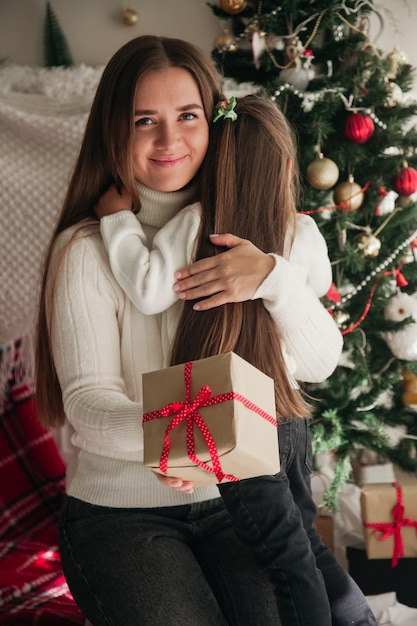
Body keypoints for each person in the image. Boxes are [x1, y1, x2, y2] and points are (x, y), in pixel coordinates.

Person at [94, 94, 378, 626]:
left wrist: (117, 222)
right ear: (289, 168)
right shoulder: (304, 232)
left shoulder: (197, 224)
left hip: (241, 414)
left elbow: (150, 290)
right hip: (290, 418)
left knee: (283, 553)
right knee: (304, 542)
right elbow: (319, 286)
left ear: (213, 167)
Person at [35, 35, 283, 626]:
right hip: (120, 515)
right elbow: (89, 408)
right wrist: (186, 437)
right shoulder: (85, 250)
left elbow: (312, 359)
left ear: (215, 121)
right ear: (113, 130)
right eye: (145, 120)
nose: (169, 141)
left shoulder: (243, 237)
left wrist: (277, 278)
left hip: (236, 504)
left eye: (187, 116)